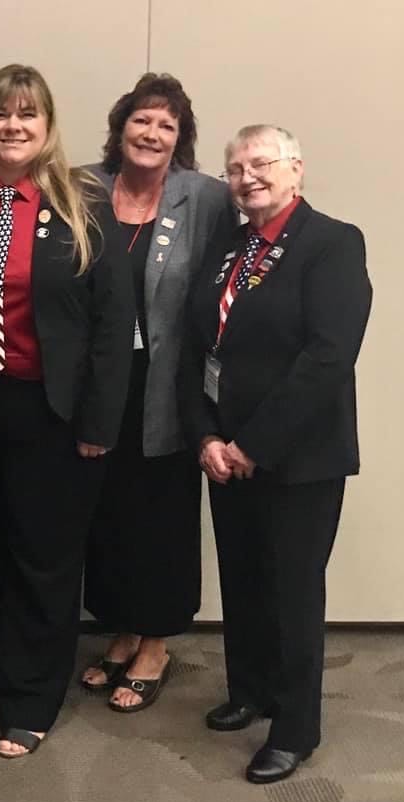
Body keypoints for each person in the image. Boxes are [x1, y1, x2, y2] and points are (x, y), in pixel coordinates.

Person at [0, 64, 133, 758]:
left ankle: (32, 694)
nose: (13, 127)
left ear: (47, 126)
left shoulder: (84, 204)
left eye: (27, 115)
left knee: (43, 556)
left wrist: (100, 425)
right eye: (0, 114)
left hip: (53, 411)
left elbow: (112, 326)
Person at [177, 124, 371, 783]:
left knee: (292, 591)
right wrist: (206, 435)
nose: (246, 175)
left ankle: (295, 728)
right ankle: (251, 691)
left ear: (296, 171)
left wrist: (254, 444)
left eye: (261, 162)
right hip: (225, 455)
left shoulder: (333, 244)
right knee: (244, 579)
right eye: (234, 168)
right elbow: (197, 347)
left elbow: (327, 357)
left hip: (299, 458)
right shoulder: (228, 248)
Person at [79, 74, 237, 712]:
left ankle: (156, 642)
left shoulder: (204, 197)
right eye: (142, 121)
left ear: (180, 140)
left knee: (162, 514)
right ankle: (122, 629)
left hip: (169, 383)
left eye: (166, 126)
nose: (151, 134)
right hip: (100, 382)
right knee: (108, 510)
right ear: (121, 128)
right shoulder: (82, 186)